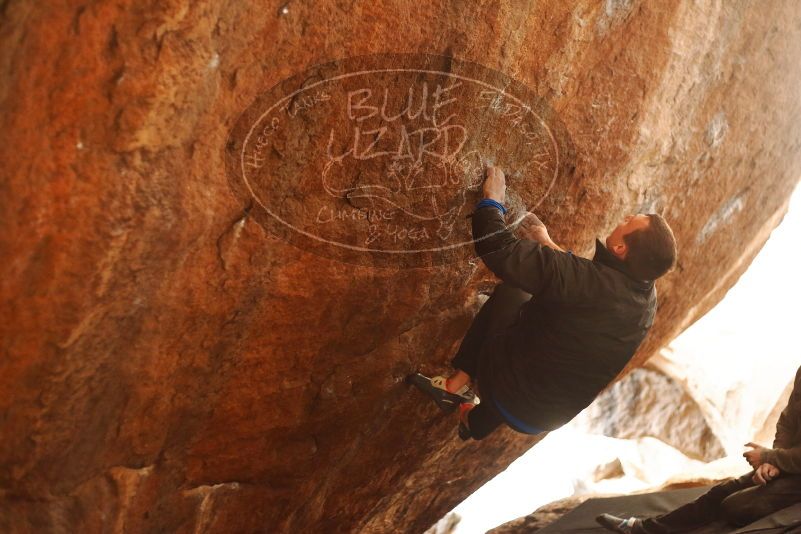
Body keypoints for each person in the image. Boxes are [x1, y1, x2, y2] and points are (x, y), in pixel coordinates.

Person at [409, 165, 678, 440]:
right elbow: (582, 284)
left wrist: (492, 201)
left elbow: (501, 252)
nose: (625, 218)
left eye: (628, 220)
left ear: (621, 249)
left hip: (509, 392)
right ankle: (475, 422)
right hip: (545, 418)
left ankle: (455, 385)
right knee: (545, 355)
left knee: (514, 291)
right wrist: (545, 241)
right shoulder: (644, 299)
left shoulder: (591, 284)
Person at [597, 365, 801, 532]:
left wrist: (770, 457)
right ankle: (644, 529)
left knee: (736, 508)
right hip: (790, 462)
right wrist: (771, 462)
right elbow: (787, 422)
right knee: (724, 490)